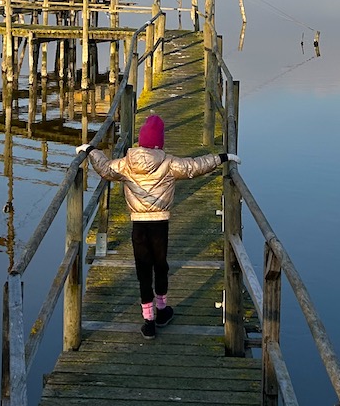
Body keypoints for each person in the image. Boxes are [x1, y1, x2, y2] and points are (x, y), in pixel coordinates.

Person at [77, 114, 240, 339]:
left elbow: (105, 168)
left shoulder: (127, 163)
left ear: (141, 141)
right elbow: (195, 166)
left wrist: (90, 150)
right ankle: (162, 309)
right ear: (159, 142)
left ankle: (148, 320)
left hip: (138, 225)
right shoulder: (169, 162)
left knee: (143, 269)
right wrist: (222, 157)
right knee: (160, 265)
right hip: (160, 222)